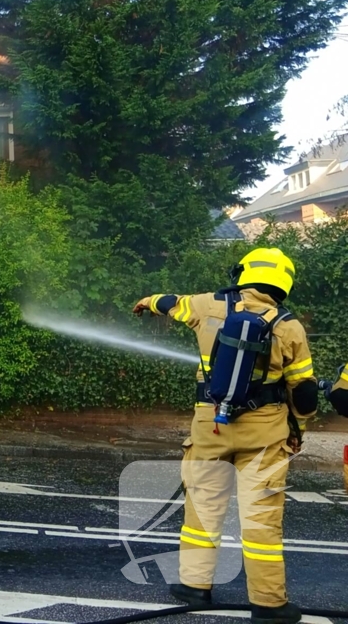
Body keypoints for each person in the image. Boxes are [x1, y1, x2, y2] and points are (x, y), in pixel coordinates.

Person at [134, 248, 317, 624]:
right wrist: (300, 424)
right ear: (283, 283)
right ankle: (269, 604)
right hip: (265, 434)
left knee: (202, 510)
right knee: (261, 520)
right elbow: (305, 395)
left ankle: (194, 587)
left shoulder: (207, 305)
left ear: (243, 273)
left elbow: (172, 303)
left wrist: (148, 302)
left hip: (211, 428)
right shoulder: (289, 325)